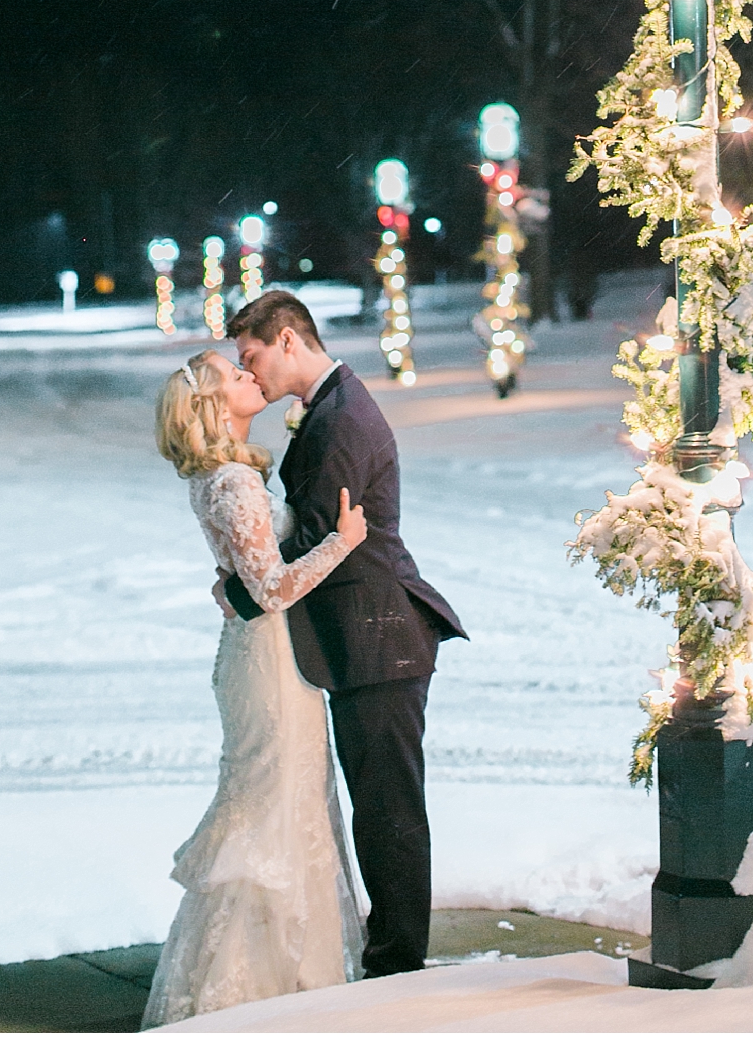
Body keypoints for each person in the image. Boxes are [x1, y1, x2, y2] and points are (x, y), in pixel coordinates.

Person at [222, 290, 467, 980]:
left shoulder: (341, 419)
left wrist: (244, 584)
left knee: (388, 809)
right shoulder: (330, 409)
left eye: (253, 355)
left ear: (290, 339)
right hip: (363, 635)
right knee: (380, 804)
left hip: (380, 636)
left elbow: (318, 535)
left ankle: (398, 962)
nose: (253, 372)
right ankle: (390, 949)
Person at [142, 349, 368, 1028]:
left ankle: (291, 970)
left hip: (260, 655)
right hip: (267, 661)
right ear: (213, 403)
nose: (250, 376)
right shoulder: (233, 483)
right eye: (233, 374)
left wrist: (231, 585)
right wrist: (341, 542)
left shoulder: (225, 472)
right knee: (274, 803)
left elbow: (244, 578)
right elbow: (270, 588)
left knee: (287, 797)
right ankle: (250, 985)